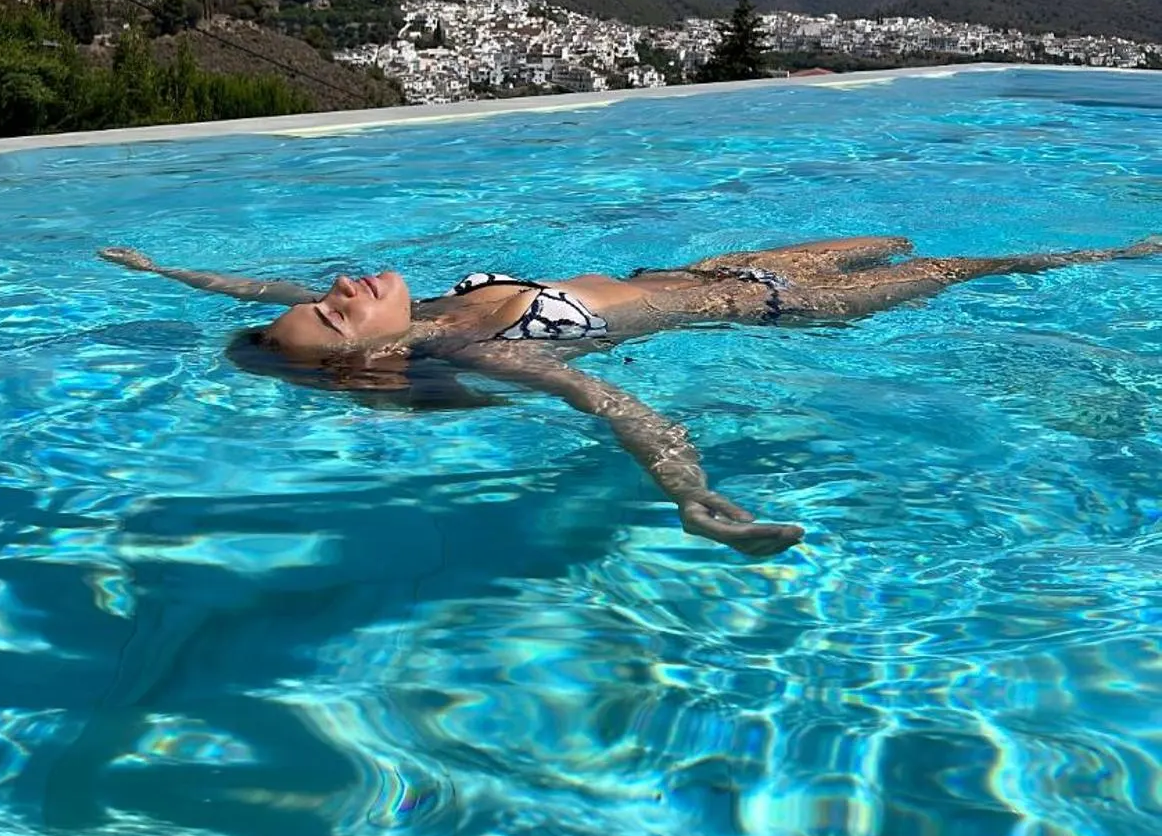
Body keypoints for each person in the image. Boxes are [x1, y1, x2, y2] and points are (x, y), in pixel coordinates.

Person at [99, 231, 1160, 559]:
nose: (336, 290)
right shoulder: (491, 359)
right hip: (773, 305)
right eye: (335, 315)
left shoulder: (408, 311)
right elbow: (617, 408)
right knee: (983, 268)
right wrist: (686, 491)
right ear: (368, 361)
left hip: (718, 263)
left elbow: (253, 289)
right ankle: (1116, 252)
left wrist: (159, 273)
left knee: (890, 233)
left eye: (324, 299)